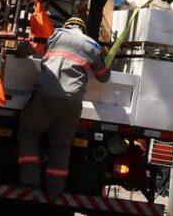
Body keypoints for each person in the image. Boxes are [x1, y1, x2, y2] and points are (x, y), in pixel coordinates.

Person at [16, 16, 110, 198]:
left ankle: (30, 182)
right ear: (82, 29)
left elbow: (27, 49)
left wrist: (17, 50)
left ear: (66, 26)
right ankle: (55, 192)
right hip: (72, 103)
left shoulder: (53, 34)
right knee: (61, 145)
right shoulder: (92, 45)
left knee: (28, 132)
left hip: (46, 96)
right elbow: (103, 77)